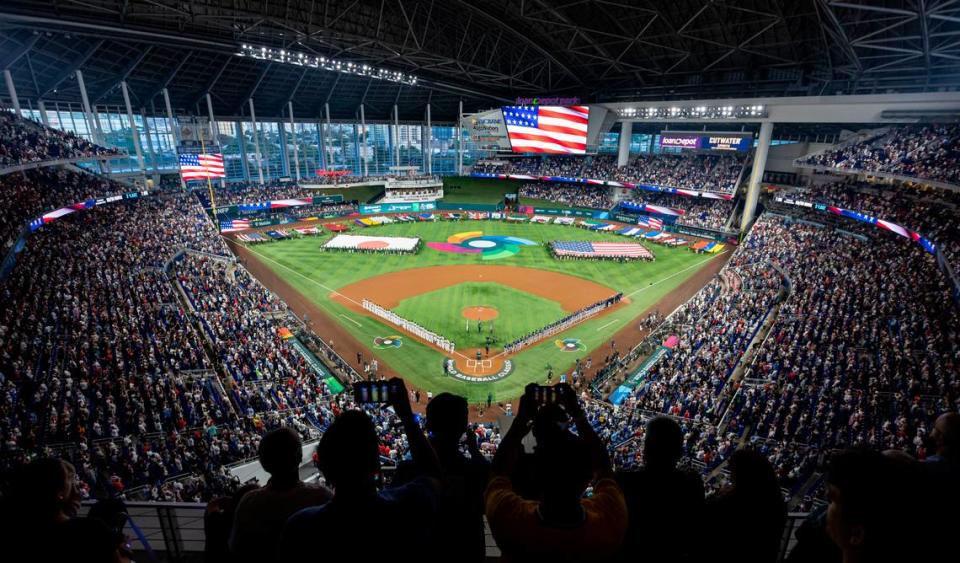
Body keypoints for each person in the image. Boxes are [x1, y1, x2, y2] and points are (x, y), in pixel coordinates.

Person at [281, 378, 441, 560]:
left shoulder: (299, 526)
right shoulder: (406, 504)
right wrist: (407, 417)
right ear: (376, 463)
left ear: (324, 469)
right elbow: (434, 475)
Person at [485, 383, 627, 561]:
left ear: (535, 474)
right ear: (587, 478)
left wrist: (520, 421)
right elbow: (604, 468)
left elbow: (497, 472)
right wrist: (578, 415)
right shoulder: (608, 522)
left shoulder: (510, 519)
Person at [394, 393, 491, 562]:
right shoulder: (476, 470)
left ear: (429, 424)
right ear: (463, 428)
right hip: (468, 554)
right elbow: (489, 475)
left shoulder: (407, 471)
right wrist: (475, 451)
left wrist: (408, 418)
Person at [229, 428, 332, 562]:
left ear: (263, 463)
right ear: (299, 456)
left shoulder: (249, 502)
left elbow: (236, 550)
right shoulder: (322, 498)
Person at [615, 417, 705, 562]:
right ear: (679, 451)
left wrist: (579, 417)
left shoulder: (625, 481)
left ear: (647, 448)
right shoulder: (691, 485)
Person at [702, 449, 786, 563]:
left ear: (743, 474)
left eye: (733, 472)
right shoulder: (776, 501)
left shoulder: (732, 502)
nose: (731, 476)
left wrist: (719, 496)